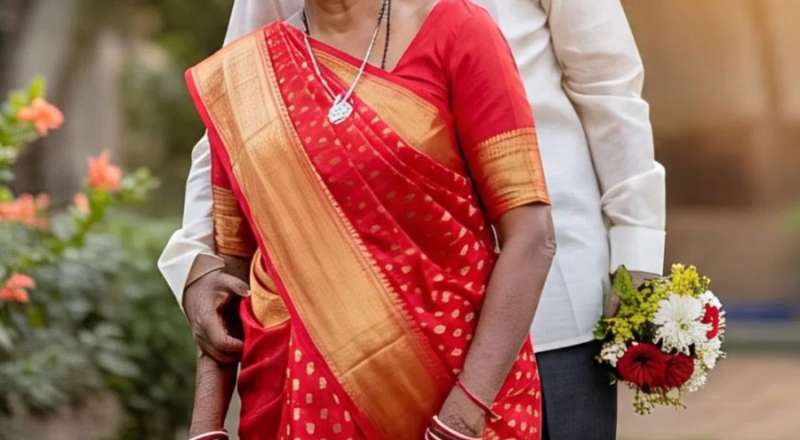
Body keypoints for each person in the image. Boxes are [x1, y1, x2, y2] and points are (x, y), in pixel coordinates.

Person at [159, 0, 666, 439]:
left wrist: (637, 246)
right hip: (339, 322)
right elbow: (245, 106)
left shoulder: (463, 29)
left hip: (548, 296)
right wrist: (198, 259)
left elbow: (608, 86)